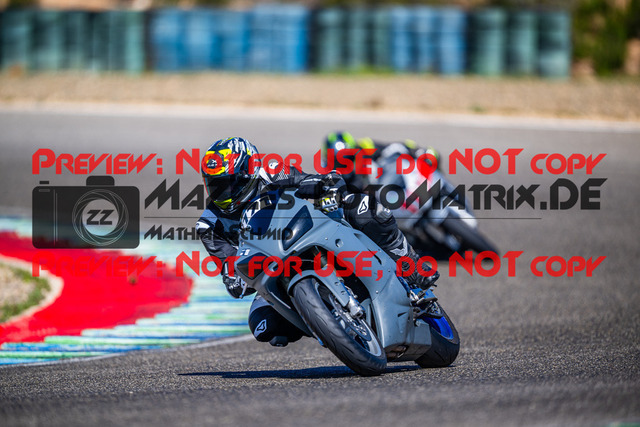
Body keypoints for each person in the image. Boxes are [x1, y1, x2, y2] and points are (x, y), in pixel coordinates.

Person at [196, 137, 439, 347]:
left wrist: (326, 186)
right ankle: (329, 325)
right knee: (263, 325)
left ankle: (411, 265)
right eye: (214, 186)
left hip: (306, 232)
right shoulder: (209, 226)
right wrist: (235, 276)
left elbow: (312, 180)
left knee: (363, 207)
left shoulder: (270, 171)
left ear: (247, 171)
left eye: (229, 183)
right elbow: (230, 270)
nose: (222, 193)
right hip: (272, 269)